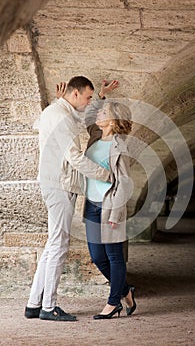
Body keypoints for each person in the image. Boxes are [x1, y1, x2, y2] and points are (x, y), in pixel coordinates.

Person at [25, 76, 116, 322]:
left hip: (54, 183)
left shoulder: (57, 111)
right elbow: (75, 157)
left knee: (52, 244)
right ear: (74, 94)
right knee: (59, 245)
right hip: (59, 185)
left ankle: (34, 304)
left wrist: (100, 99)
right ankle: (48, 307)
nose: (88, 103)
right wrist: (106, 174)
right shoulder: (60, 115)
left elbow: (78, 120)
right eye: (87, 97)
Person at [83, 92, 137, 319]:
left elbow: (124, 181)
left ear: (113, 120)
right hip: (91, 205)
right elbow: (86, 116)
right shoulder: (95, 136)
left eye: (103, 112)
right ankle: (125, 291)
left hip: (109, 206)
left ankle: (113, 302)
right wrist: (101, 96)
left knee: (114, 256)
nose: (98, 114)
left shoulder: (119, 147)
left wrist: (116, 212)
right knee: (97, 257)